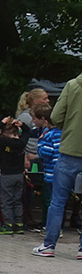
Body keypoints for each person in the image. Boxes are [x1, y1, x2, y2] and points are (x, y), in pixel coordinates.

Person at [32, 70, 82, 258]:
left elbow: (57, 116)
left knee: (58, 201)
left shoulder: (72, 85)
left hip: (69, 150)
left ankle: (49, 244)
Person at [0, 116, 28, 234]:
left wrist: (1, 122)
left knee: (6, 200)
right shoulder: (22, 142)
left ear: (5, 133)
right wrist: (21, 125)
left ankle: (8, 224)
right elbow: (28, 131)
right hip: (19, 175)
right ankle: (19, 223)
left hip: (7, 175)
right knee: (17, 200)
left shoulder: (4, 141)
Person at [28, 102, 61, 229]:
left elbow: (46, 153)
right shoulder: (59, 132)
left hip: (51, 173)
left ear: (43, 119)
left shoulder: (48, 135)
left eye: (34, 118)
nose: (33, 121)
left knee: (49, 200)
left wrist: (39, 146)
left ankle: (50, 225)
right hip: (60, 172)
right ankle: (56, 225)